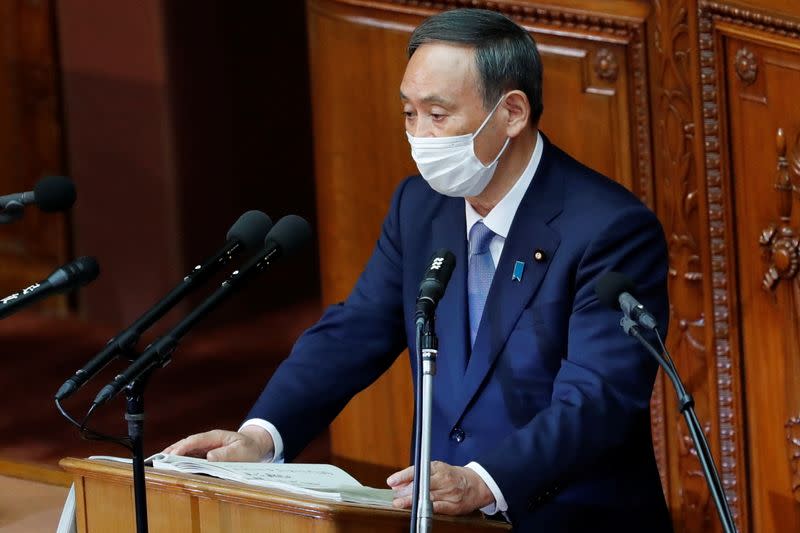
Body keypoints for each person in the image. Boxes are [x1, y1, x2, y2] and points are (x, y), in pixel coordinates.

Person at [166, 8, 672, 532]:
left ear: (512, 112)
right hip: (441, 520)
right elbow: (355, 330)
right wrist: (262, 435)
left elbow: (598, 397)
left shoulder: (610, 229)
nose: (421, 136)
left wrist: (485, 480)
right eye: (409, 113)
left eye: (438, 114)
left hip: (569, 518)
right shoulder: (420, 206)